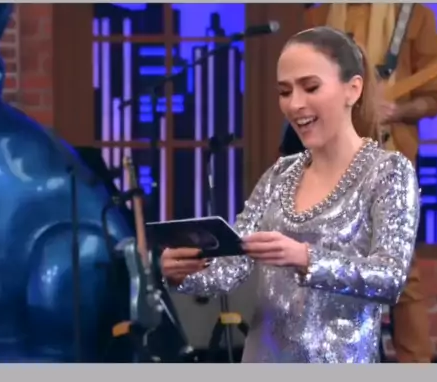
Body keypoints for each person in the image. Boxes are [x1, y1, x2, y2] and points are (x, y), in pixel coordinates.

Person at [159, 27, 421, 363]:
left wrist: (306, 258)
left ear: (353, 89)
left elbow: (390, 279)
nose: (295, 104)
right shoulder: (279, 175)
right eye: (285, 91)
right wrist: (184, 272)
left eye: (310, 87)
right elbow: (231, 268)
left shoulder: (388, 172)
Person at [302, 3, 437, 363]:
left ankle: (416, 371)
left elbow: (433, 99)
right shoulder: (319, 17)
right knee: (326, 260)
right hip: (330, 157)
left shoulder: (415, 15)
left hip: (390, 155)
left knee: (403, 268)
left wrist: (396, 111)